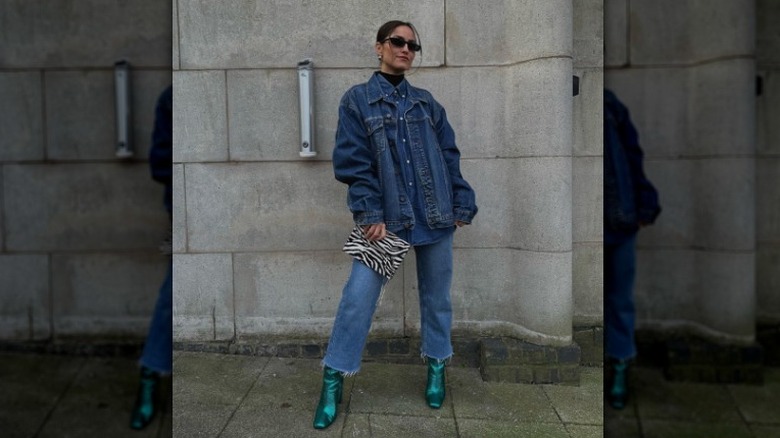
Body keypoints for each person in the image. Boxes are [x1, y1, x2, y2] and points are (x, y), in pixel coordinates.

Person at [312, 20, 478, 429]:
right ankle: (333, 380)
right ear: (379, 47)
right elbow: (353, 163)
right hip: (386, 223)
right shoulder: (358, 101)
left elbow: (449, 157)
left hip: (437, 216)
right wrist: (369, 212)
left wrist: (461, 201)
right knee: (357, 299)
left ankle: (436, 369)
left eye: (412, 45)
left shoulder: (426, 103)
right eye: (397, 42)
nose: (405, 49)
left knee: (437, 299)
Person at [603, 89, 661, 409]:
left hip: (622, 220)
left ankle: (620, 366)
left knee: (620, 298)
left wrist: (643, 207)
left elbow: (633, 157)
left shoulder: (611, 105)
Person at [130, 85, 173, 429]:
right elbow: (160, 165)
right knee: (172, 294)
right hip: (182, 208)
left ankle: (151, 374)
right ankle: (149, 377)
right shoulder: (170, 97)